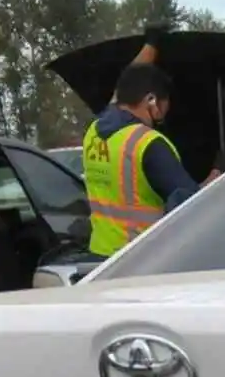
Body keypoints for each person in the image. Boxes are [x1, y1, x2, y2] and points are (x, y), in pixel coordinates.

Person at [82, 26, 217, 258]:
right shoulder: (148, 143)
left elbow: (125, 84)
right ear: (151, 100)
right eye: (163, 109)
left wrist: (151, 44)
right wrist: (216, 177)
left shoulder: (96, 129)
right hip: (139, 261)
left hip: (99, 255)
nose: (163, 117)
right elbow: (190, 208)